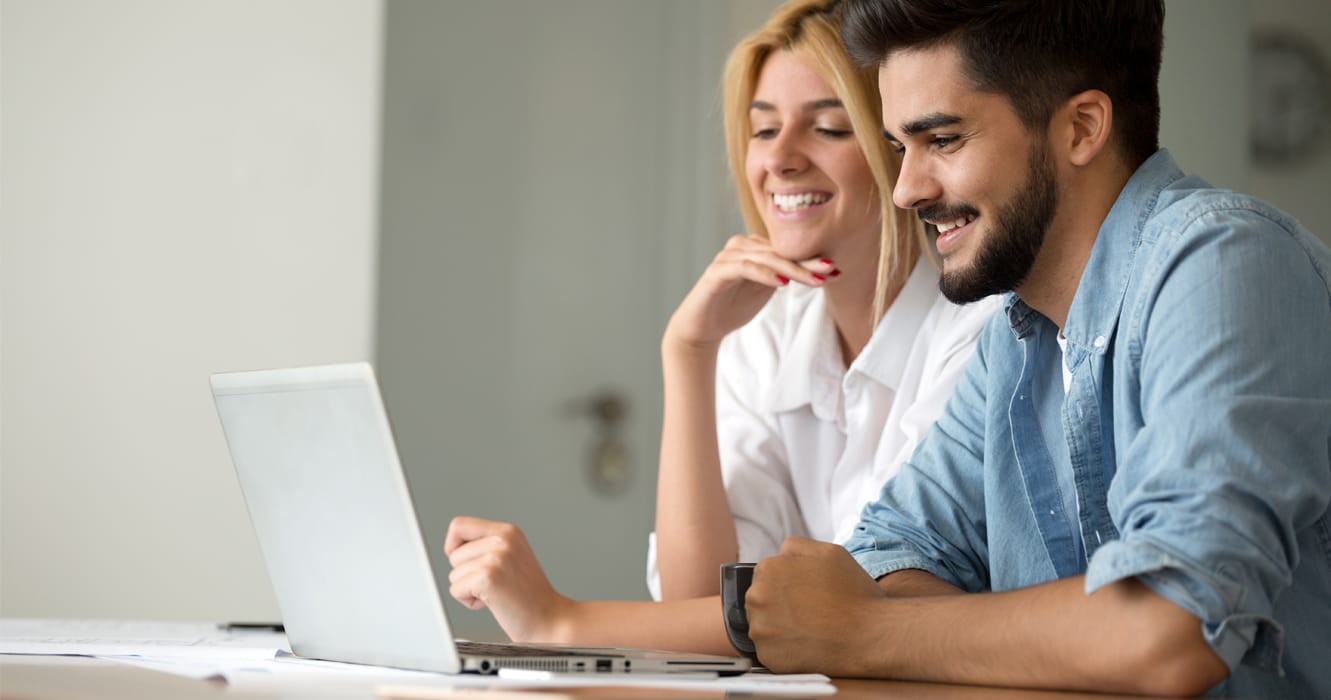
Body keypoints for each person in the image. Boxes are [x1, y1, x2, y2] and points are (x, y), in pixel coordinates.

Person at [741, 1, 1331, 697]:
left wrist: (858, 630)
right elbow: (883, 554)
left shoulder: (1226, 262)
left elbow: (1172, 630)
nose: (905, 189)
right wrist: (1086, 635)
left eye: (944, 140)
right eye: (901, 147)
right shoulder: (1015, 337)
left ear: (1081, 127)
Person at [443, 0, 999, 654]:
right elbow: (702, 604)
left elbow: (848, 613)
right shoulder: (763, 332)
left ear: (899, 151)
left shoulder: (979, 329)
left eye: (826, 127)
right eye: (763, 130)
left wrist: (557, 621)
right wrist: (689, 351)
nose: (781, 159)